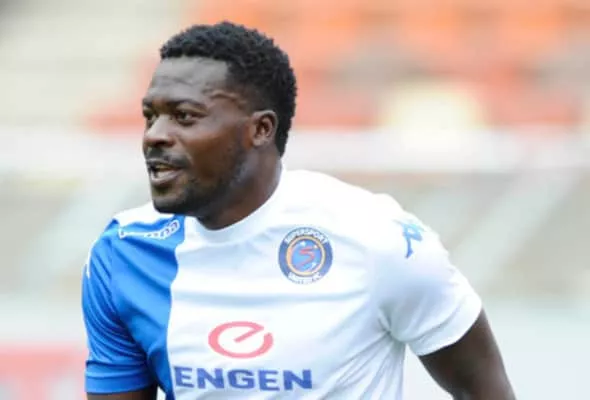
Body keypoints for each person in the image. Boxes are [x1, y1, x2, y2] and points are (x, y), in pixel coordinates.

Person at [82, 21, 515, 400]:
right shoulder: (124, 254)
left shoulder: (378, 240)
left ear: (260, 129)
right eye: (150, 116)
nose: (155, 136)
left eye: (184, 116)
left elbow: (484, 389)